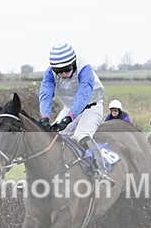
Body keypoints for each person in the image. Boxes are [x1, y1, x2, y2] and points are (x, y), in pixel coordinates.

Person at [39, 43, 109, 180]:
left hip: (91, 106)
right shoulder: (49, 73)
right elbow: (45, 94)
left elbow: (83, 95)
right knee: (53, 136)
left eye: (67, 70)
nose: (63, 74)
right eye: (59, 72)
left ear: (73, 64)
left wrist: (69, 118)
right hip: (69, 108)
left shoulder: (84, 68)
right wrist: (45, 117)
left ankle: (102, 171)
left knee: (81, 136)